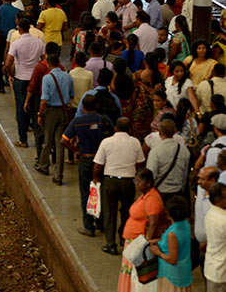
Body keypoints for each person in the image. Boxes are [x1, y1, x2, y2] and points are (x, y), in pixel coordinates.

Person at [62, 95, 113, 236]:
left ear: (83, 107)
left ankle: (88, 226)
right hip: (102, 161)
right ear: (96, 106)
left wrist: (76, 151)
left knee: (86, 193)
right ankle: (100, 223)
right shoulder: (104, 120)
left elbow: (64, 140)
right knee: (101, 191)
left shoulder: (77, 121)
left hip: (85, 160)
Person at [93, 117, 146, 255]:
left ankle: (110, 244)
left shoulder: (106, 142)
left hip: (110, 180)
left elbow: (98, 165)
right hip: (128, 182)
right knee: (127, 210)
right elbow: (140, 163)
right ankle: (124, 237)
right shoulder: (135, 142)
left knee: (110, 212)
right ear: (130, 129)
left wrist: (95, 178)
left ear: (115, 128)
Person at [116, 168, 165, 292]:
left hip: (139, 243)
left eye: (139, 181)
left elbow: (153, 224)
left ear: (148, 183)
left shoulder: (152, 199)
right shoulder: (145, 196)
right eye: (135, 181)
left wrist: (145, 244)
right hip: (133, 242)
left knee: (136, 277)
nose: (136, 184)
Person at [5, 18, 45, 148]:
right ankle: (39, 140)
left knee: (21, 109)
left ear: (19, 29)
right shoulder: (39, 42)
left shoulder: (16, 43)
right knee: (36, 109)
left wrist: (12, 74)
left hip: (20, 79)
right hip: (35, 79)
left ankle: (23, 139)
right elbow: (44, 60)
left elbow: (7, 63)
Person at [36, 54, 73, 185]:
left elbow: (44, 100)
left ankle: (43, 166)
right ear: (59, 63)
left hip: (51, 112)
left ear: (48, 65)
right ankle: (58, 175)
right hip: (63, 112)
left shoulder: (47, 78)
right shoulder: (68, 76)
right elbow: (72, 95)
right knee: (60, 144)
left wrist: (40, 114)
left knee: (47, 141)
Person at [149, 196, 193, 292]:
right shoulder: (186, 224)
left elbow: (172, 259)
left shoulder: (172, 233)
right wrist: (158, 240)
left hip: (172, 275)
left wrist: (157, 252)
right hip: (184, 271)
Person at [146, 120, 191, 204]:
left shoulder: (155, 152)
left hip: (160, 191)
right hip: (178, 191)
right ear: (175, 132)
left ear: (159, 133)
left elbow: (151, 175)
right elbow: (185, 174)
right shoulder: (184, 150)